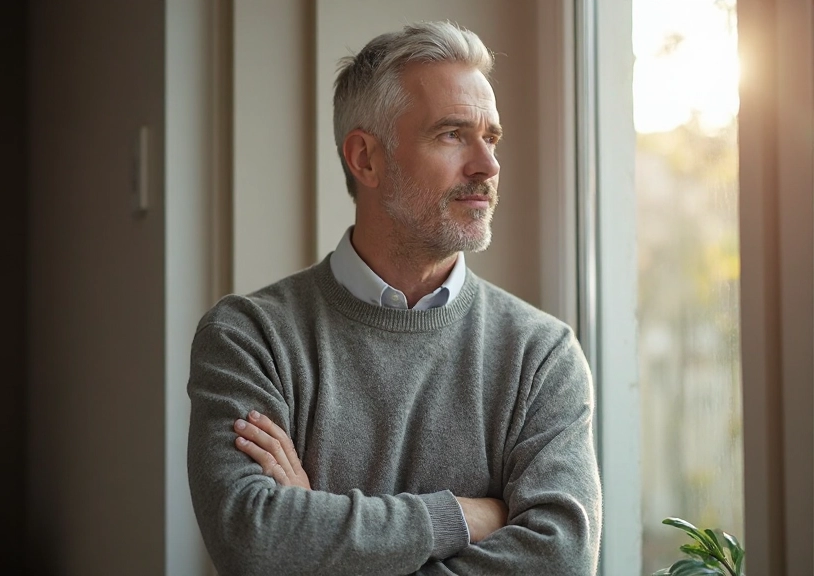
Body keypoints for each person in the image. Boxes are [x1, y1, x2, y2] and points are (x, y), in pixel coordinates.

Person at [186, 21, 601, 576]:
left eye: (491, 137)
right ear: (366, 159)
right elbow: (255, 540)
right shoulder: (250, 337)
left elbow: (561, 558)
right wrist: (461, 517)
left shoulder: (541, 355)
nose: (488, 165)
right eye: (453, 134)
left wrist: (316, 533)